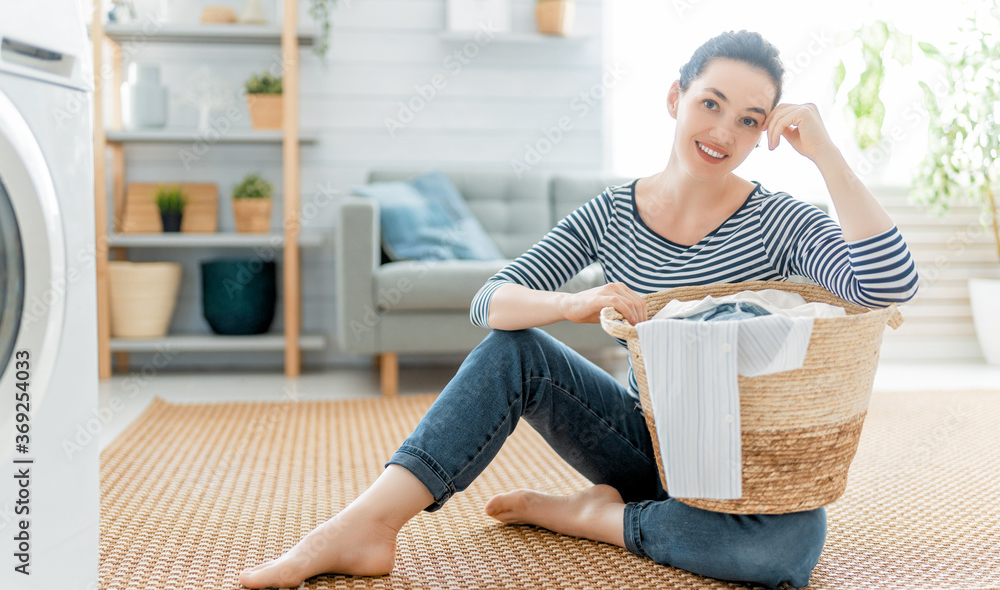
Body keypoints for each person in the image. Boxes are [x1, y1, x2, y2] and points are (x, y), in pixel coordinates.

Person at [239, 30, 918, 589]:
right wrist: (572, 302)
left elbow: (887, 284)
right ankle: (364, 525)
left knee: (785, 555)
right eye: (710, 104)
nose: (723, 131)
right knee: (514, 351)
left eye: (748, 120)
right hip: (644, 441)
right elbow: (490, 302)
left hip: (750, 463)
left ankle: (597, 519)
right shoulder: (613, 211)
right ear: (676, 98)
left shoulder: (778, 222)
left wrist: (824, 153)